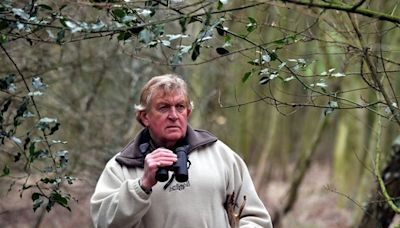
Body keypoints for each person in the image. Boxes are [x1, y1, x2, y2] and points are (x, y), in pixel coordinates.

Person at [90, 74, 273, 228]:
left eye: (180, 107)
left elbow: (256, 219)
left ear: (188, 112)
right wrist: (142, 185)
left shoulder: (219, 154)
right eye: (163, 107)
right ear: (145, 116)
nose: (173, 115)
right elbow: (104, 223)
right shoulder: (122, 166)